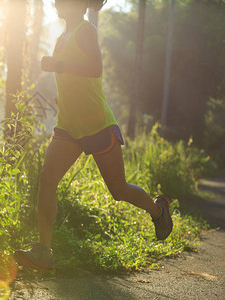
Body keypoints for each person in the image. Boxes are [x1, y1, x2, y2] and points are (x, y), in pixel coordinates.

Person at [14, 0, 173, 270]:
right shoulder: (62, 36)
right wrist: (62, 93)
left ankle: (158, 211)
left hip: (97, 124)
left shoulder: (86, 30)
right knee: (47, 177)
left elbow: (95, 68)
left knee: (119, 190)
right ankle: (44, 250)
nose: (55, 2)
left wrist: (58, 64)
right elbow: (71, 77)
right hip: (69, 124)